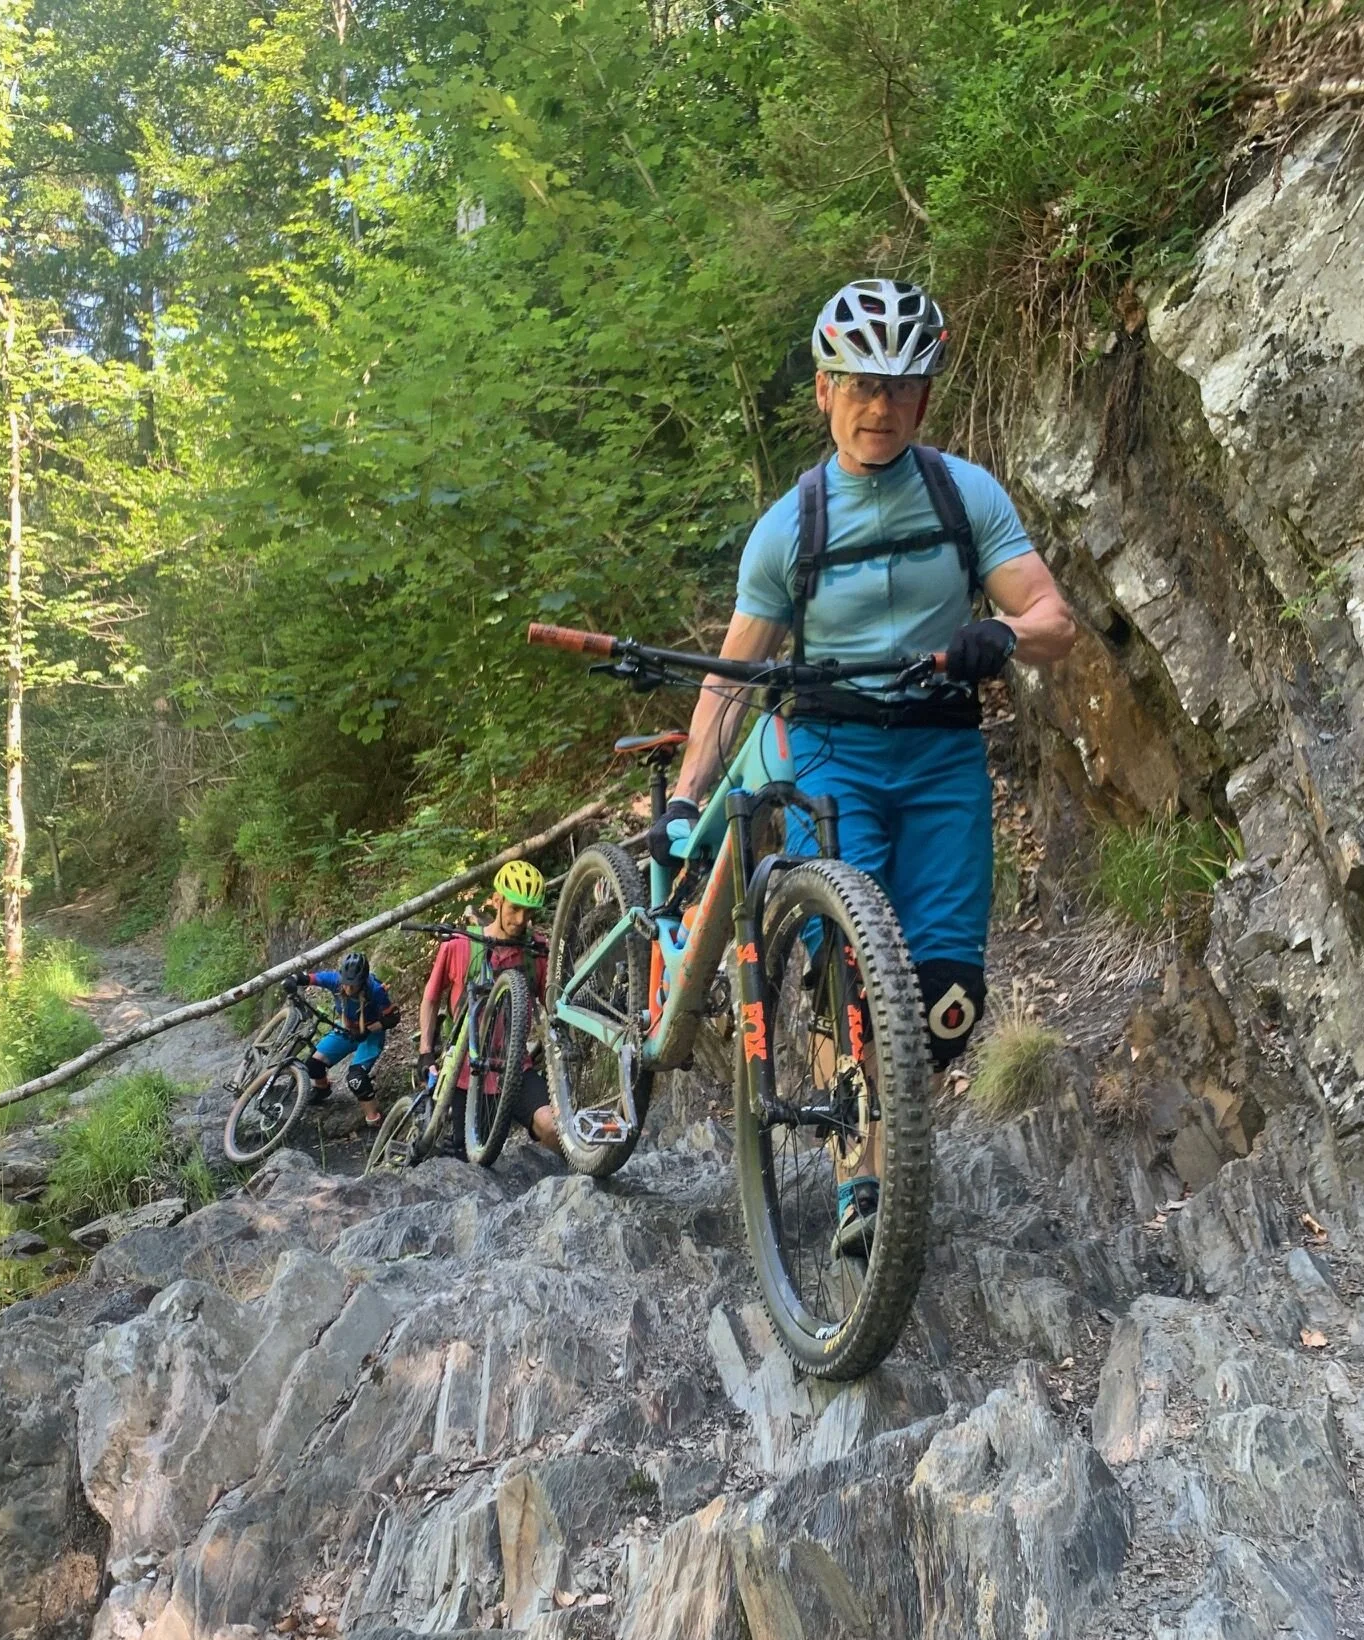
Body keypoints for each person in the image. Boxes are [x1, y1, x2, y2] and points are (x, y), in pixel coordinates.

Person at [654, 277, 1075, 1257]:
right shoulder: (787, 531)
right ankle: (860, 1176)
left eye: (898, 385)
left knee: (944, 1002)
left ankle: (890, 1122)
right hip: (833, 757)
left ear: (923, 397)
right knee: (849, 969)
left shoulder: (963, 496)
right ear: (822, 390)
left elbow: (1053, 618)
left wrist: (998, 636)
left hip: (941, 757)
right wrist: (683, 799)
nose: (876, 405)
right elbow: (729, 681)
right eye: (856, 383)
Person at [417, 860, 559, 1152]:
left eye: (529, 911)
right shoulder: (459, 945)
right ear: (496, 900)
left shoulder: (536, 951)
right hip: (466, 1072)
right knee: (468, 1152)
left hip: (515, 1066)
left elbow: (555, 1003)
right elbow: (431, 998)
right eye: (514, 908)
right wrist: (425, 1053)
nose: (521, 919)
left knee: (553, 1128)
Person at [284, 950, 400, 1124]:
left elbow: (393, 1017)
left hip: (370, 1034)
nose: (348, 989)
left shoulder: (375, 990)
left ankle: (374, 1120)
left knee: (356, 1079)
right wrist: (292, 980)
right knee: (313, 1065)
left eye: (353, 985)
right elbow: (308, 978)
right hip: (346, 1030)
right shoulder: (335, 980)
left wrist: (368, 1030)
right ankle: (323, 1089)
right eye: (346, 983)